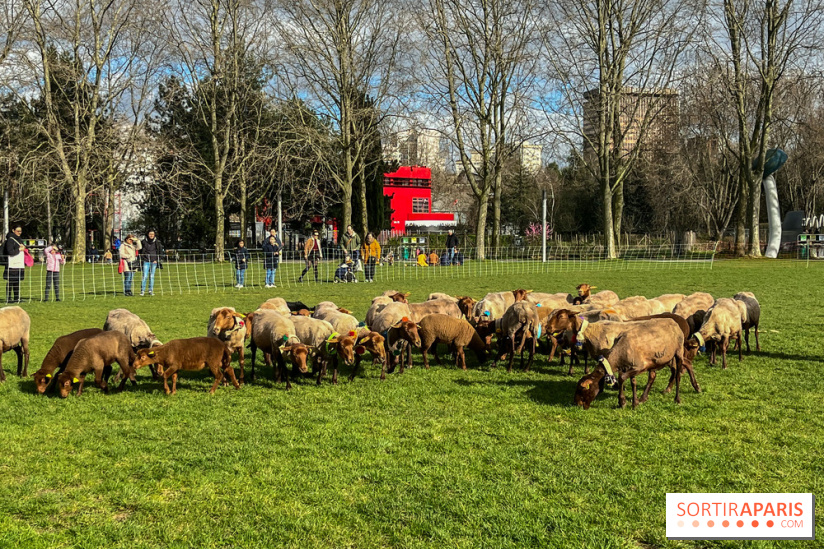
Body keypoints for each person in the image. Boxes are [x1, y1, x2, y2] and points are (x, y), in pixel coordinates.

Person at [4, 225, 26, 303]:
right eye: (18, 231)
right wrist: (19, 249)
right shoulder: (10, 240)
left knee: (17, 281)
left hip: (19, 263)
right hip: (11, 264)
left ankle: (17, 298)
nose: (19, 233)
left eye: (20, 231)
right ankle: (9, 298)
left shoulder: (20, 239)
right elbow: (10, 251)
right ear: (13, 230)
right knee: (11, 281)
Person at [140, 229, 164, 296]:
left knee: (152, 276)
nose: (151, 235)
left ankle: (150, 290)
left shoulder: (157, 242)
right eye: (150, 234)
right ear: (147, 234)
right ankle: (142, 290)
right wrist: (142, 257)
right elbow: (140, 250)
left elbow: (160, 252)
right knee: (144, 276)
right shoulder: (144, 242)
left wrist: (158, 259)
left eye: (152, 234)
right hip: (146, 260)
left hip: (154, 261)